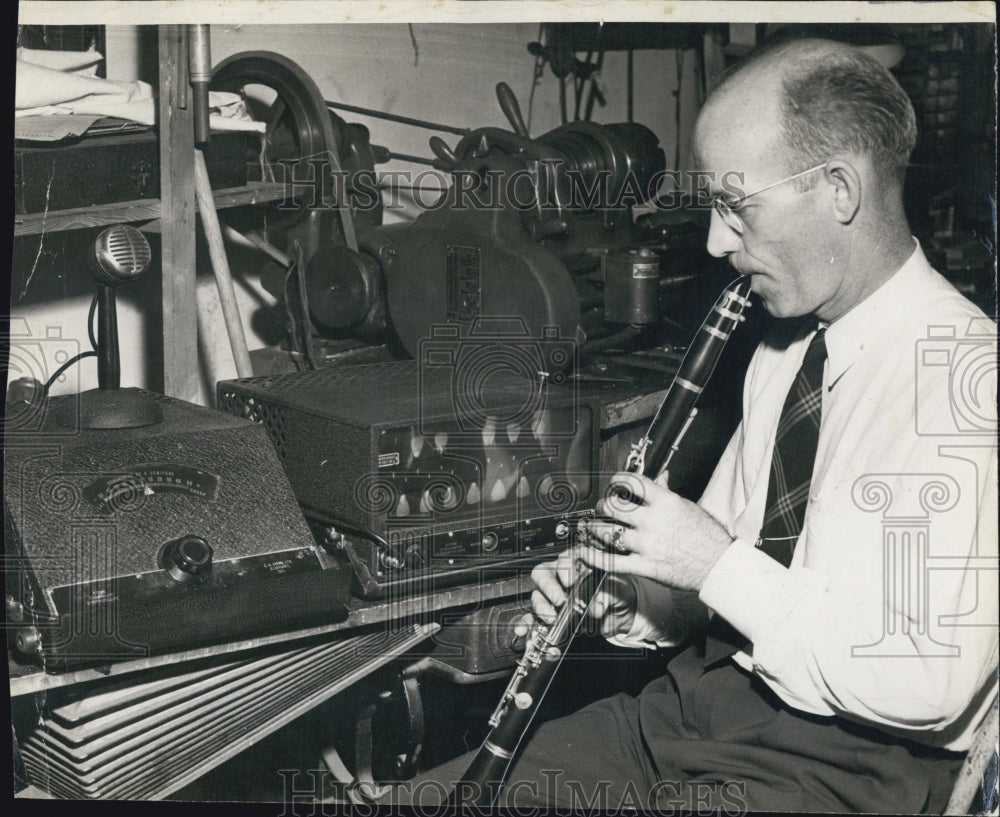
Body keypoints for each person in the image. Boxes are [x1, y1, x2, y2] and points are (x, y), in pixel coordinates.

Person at [379, 37, 998, 813]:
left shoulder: (960, 376)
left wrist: (710, 561)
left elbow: (926, 681)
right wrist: (633, 598)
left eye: (737, 206)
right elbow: (721, 589)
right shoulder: (786, 344)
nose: (714, 242)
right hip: (689, 715)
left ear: (839, 189)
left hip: (849, 763)